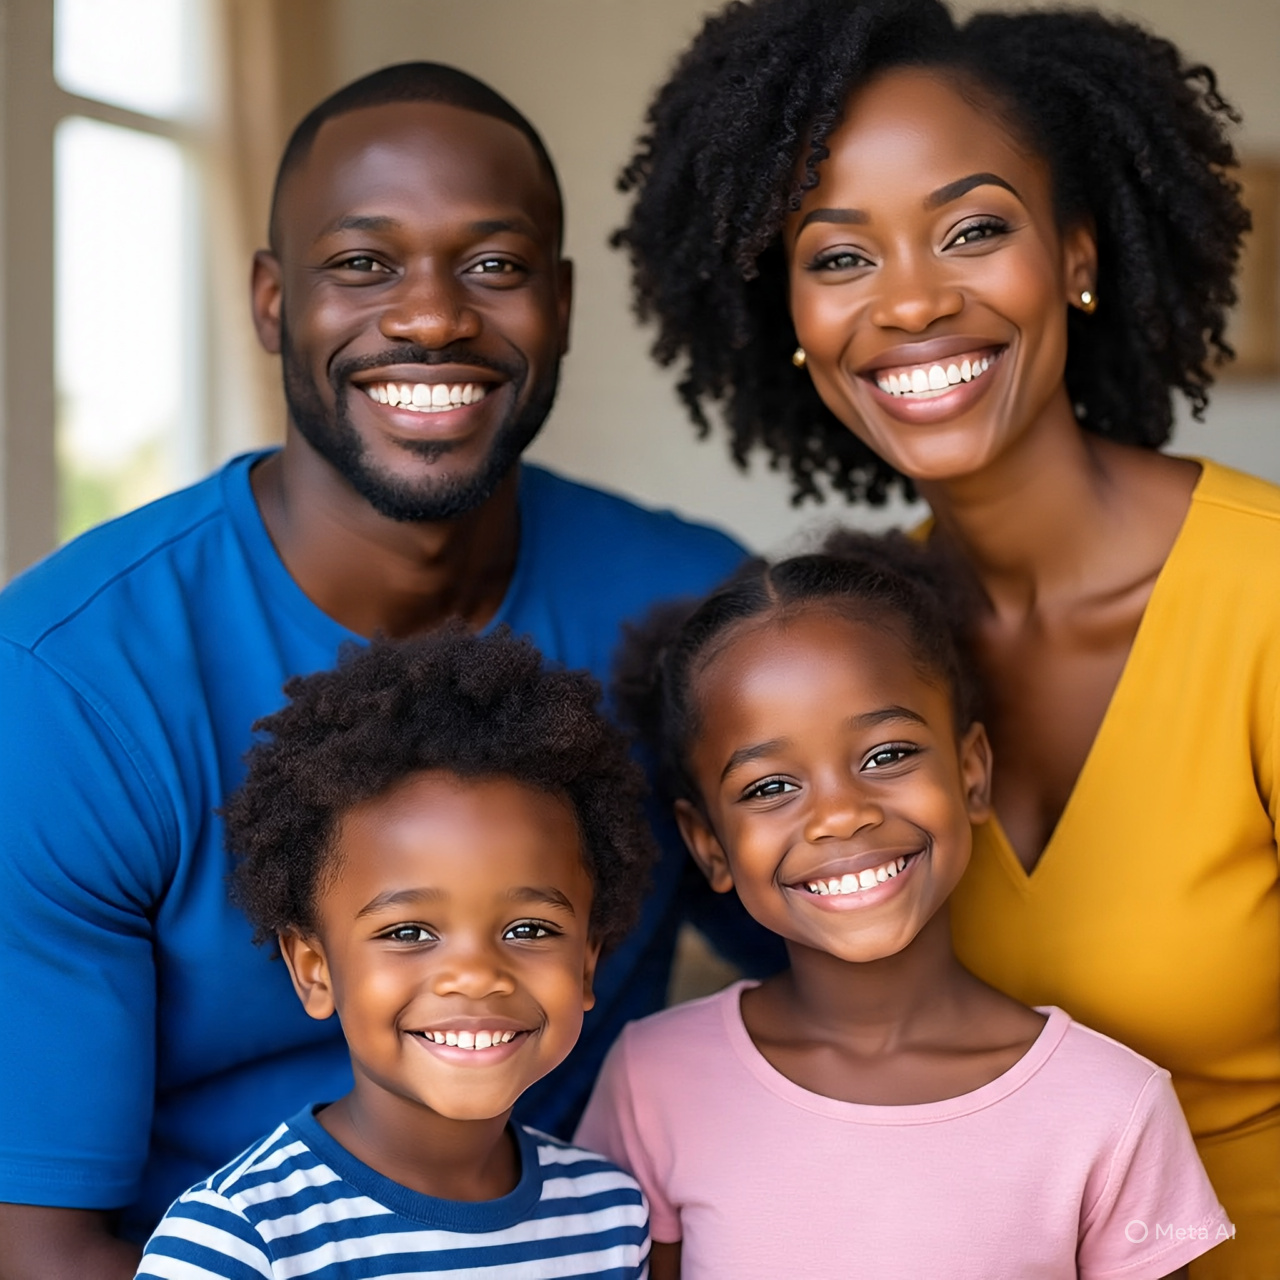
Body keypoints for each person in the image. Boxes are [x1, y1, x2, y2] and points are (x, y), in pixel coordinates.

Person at [0, 62, 765, 1278]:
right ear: (268, 300)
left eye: (493, 264)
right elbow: (37, 1239)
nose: (429, 317)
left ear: (559, 303)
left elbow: (848, 992)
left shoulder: (697, 622)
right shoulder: (70, 682)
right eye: (363, 263)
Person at [613, 1, 1273, 1272]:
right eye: (838, 255)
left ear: (1075, 252)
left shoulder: (1263, 599)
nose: (910, 301)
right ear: (791, 320)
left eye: (972, 229)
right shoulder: (855, 656)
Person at [576, 540, 1228, 1279]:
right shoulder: (652, 1080)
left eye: (886, 755)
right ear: (710, 847)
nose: (841, 815)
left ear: (972, 772)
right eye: (768, 787)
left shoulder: (1113, 1108)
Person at [138, 626, 652, 1278]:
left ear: (586, 963)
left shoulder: (610, 1217)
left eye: (528, 930)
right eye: (409, 933)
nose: (475, 975)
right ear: (314, 969)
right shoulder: (243, 1238)